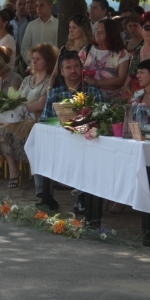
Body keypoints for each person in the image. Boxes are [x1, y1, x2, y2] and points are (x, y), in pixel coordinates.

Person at [0, 43, 55, 188]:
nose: (34, 61)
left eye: (38, 59)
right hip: (19, 116)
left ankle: (14, 171)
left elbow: (41, 105)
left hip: (34, 120)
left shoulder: (49, 81)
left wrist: (22, 107)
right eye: (33, 58)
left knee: (2, 132)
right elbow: (17, 98)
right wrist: (8, 105)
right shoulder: (27, 80)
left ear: (47, 61)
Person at [38, 52, 104, 207]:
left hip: (85, 145)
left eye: (76, 66)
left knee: (90, 155)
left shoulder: (93, 92)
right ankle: (45, 196)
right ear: (61, 71)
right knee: (39, 148)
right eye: (68, 68)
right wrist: (61, 123)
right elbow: (44, 122)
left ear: (81, 68)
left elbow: (102, 122)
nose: (73, 70)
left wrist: (85, 123)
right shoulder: (55, 93)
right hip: (59, 144)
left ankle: (83, 198)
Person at [79, 19, 129, 101]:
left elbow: (120, 80)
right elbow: (77, 68)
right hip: (87, 98)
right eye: (96, 30)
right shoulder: (87, 49)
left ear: (111, 34)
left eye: (101, 32)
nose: (97, 34)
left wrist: (96, 82)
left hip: (111, 101)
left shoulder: (121, 53)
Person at [20, 0, 58, 65]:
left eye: (42, 5)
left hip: (51, 65)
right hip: (33, 64)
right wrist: (32, 62)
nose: (38, 8)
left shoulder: (57, 25)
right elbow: (24, 47)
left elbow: (58, 48)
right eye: (37, 6)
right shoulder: (31, 25)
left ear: (50, 7)